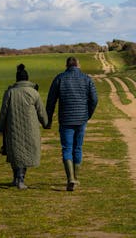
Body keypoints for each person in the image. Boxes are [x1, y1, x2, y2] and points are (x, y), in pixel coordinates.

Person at [46, 56, 98, 191]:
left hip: (65, 119)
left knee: (67, 148)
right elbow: (94, 99)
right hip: (81, 119)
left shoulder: (60, 78)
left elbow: (51, 101)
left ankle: (70, 179)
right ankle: (76, 177)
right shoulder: (87, 79)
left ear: (66, 65)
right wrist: (88, 115)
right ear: (78, 65)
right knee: (78, 147)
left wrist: (49, 119)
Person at [0, 64, 49, 189]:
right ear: (27, 79)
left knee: (15, 153)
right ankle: (21, 179)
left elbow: (3, 111)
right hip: (31, 128)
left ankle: (16, 178)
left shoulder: (10, 92)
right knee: (26, 152)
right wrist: (46, 123)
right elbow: (41, 111)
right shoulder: (33, 93)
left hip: (13, 127)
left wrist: (0, 127)